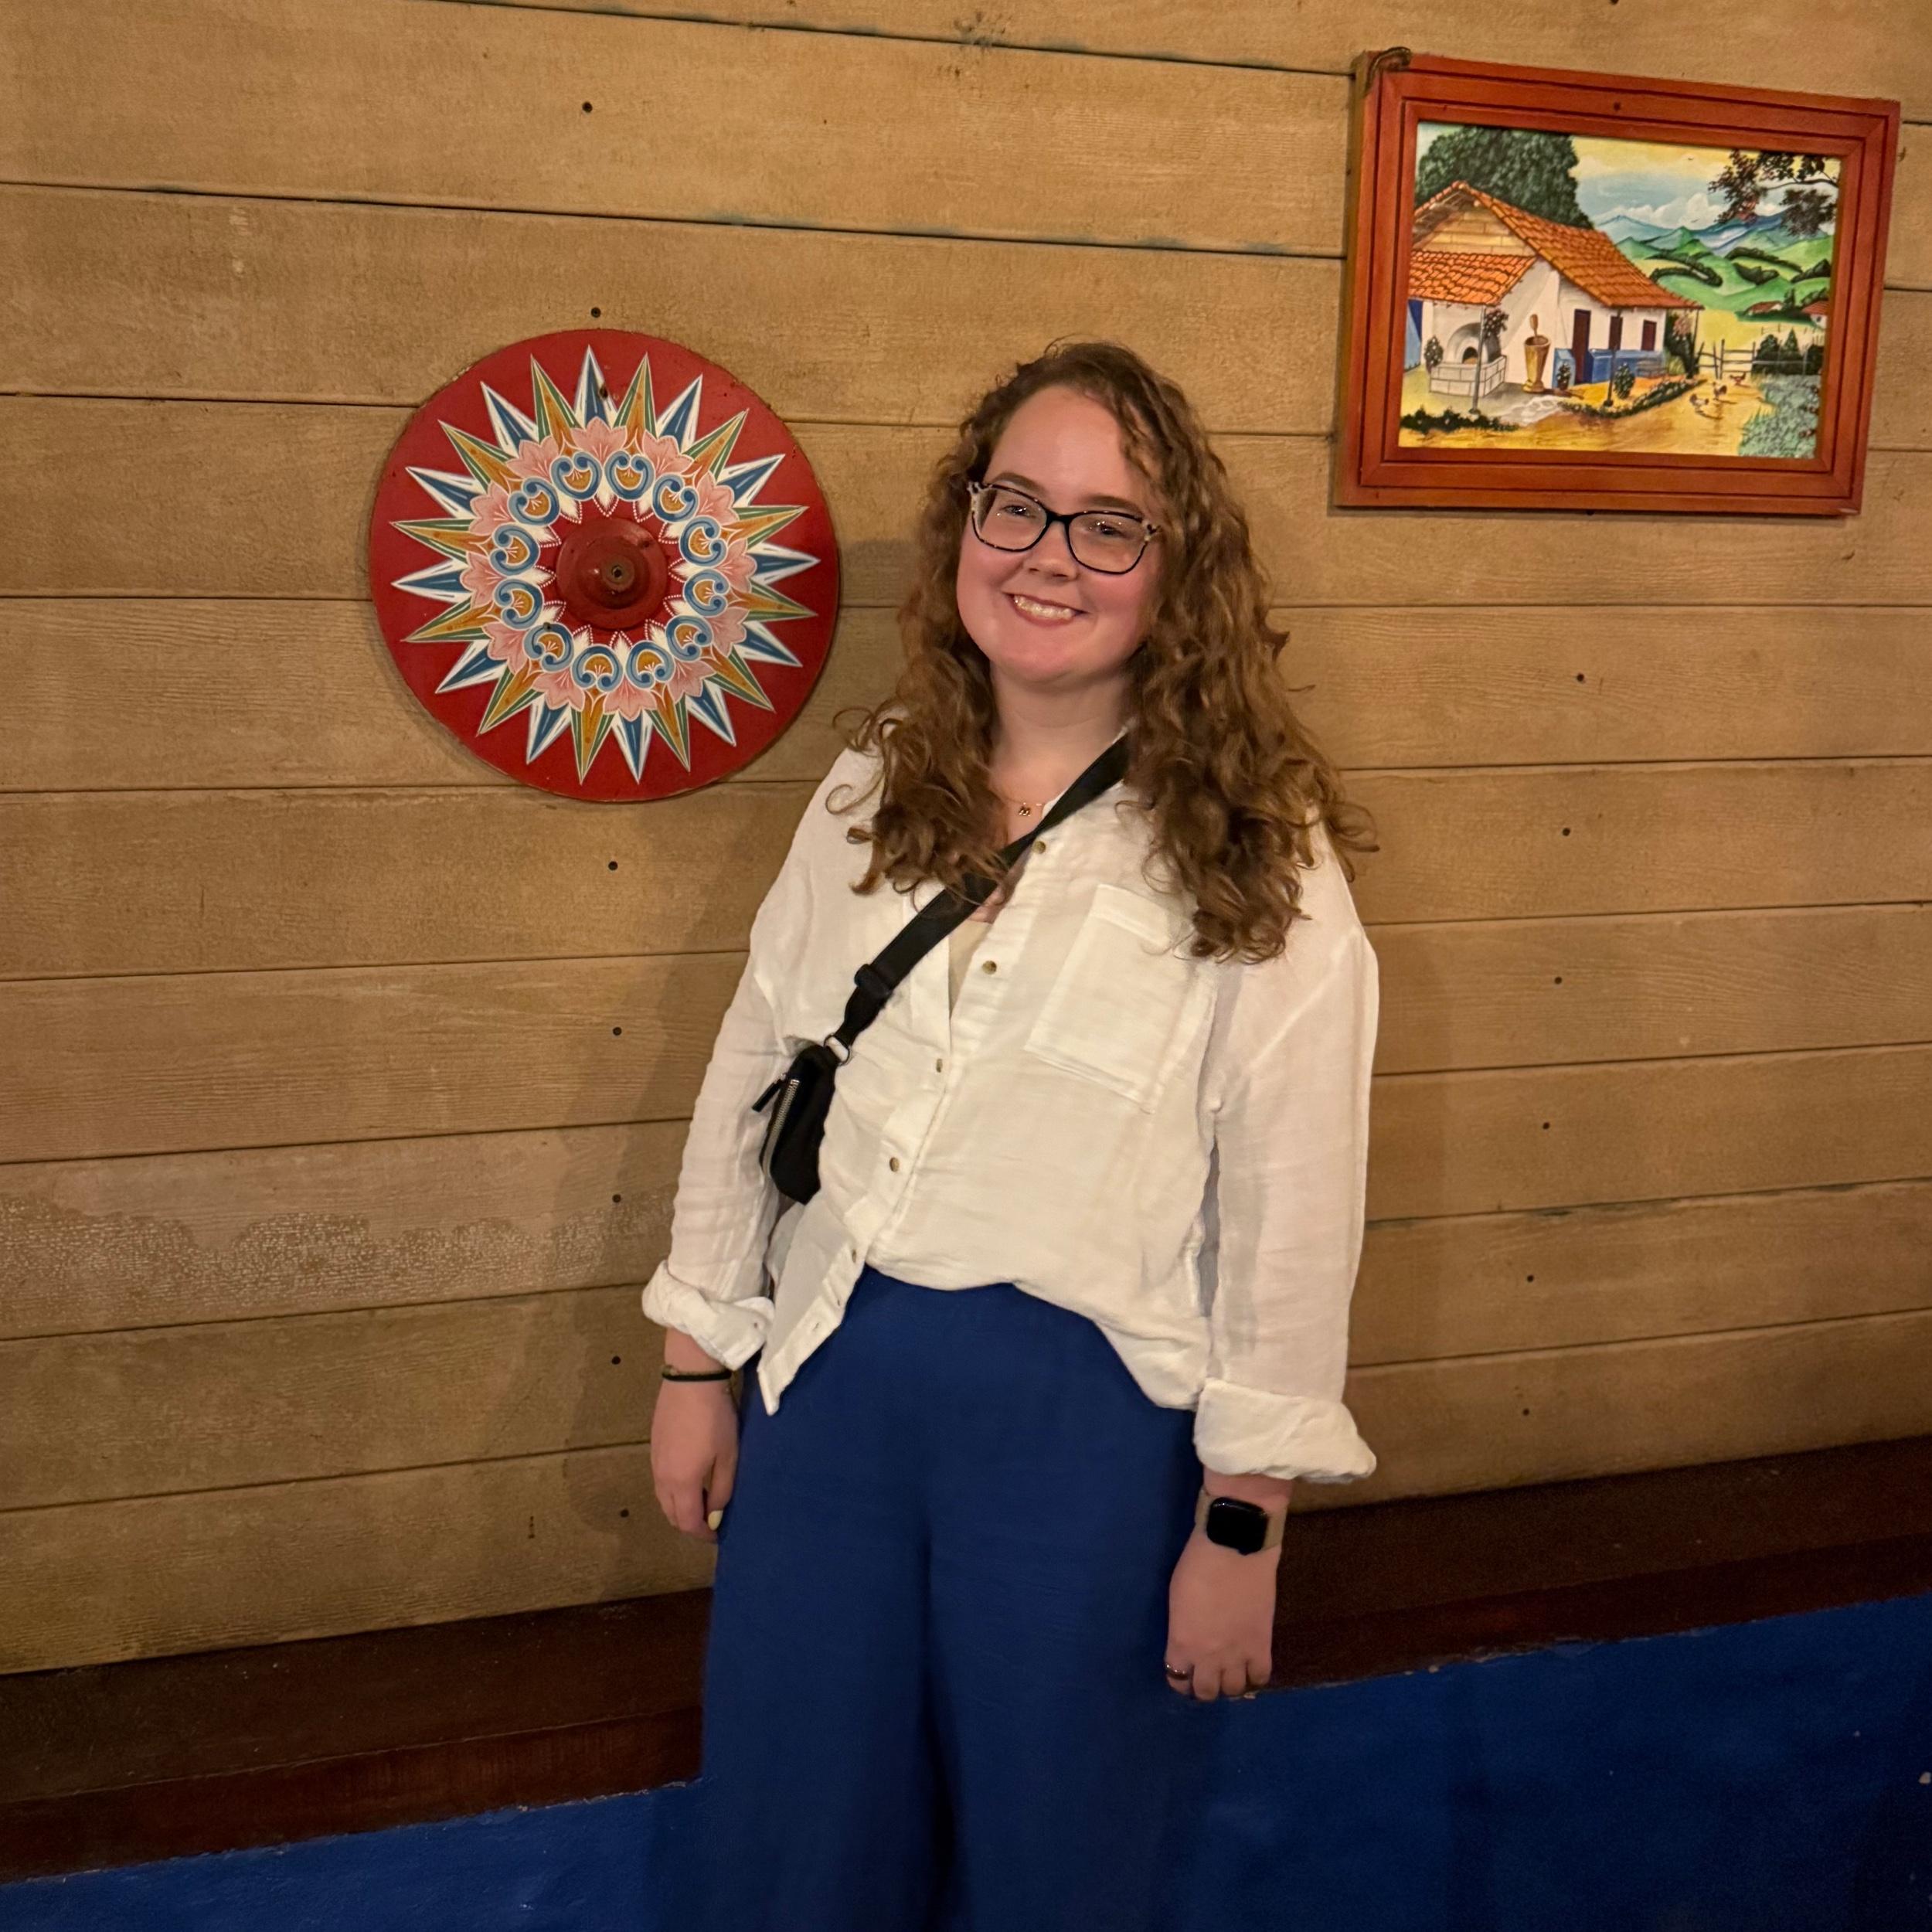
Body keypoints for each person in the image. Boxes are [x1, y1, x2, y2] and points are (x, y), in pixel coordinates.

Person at [644, 339, 1381, 1932]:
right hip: (825, 1393)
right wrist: (698, 1363)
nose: (1051, 557)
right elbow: (755, 1064)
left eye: (1110, 525)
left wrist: (1241, 1523)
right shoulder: (866, 793)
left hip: (1081, 1438)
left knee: (1055, 1858)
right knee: (795, 1838)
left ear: (1176, 570)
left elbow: (1293, 1204)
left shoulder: (1258, 855)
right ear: (966, 524)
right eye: (1017, 507)